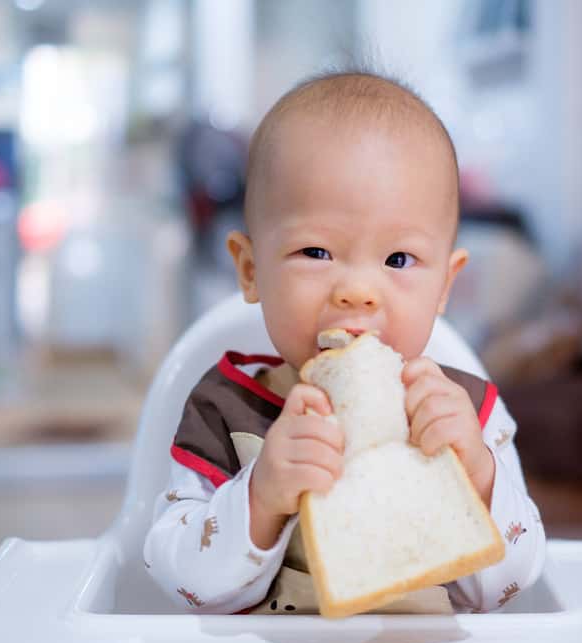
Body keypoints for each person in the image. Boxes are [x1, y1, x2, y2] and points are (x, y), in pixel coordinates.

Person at [144, 70, 545, 615]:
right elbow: (180, 580)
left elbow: (509, 589)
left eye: (398, 260)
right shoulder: (223, 408)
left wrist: (477, 474)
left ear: (445, 285)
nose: (358, 292)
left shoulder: (467, 413)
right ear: (250, 269)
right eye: (315, 252)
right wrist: (260, 497)